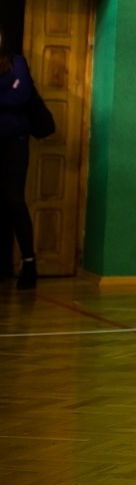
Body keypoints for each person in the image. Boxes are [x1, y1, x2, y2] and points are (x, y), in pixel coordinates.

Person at [0, 27, 38, 291]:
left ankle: (29, 264)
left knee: (14, 200)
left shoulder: (17, 63)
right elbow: (10, 95)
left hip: (15, 143)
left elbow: (21, 94)